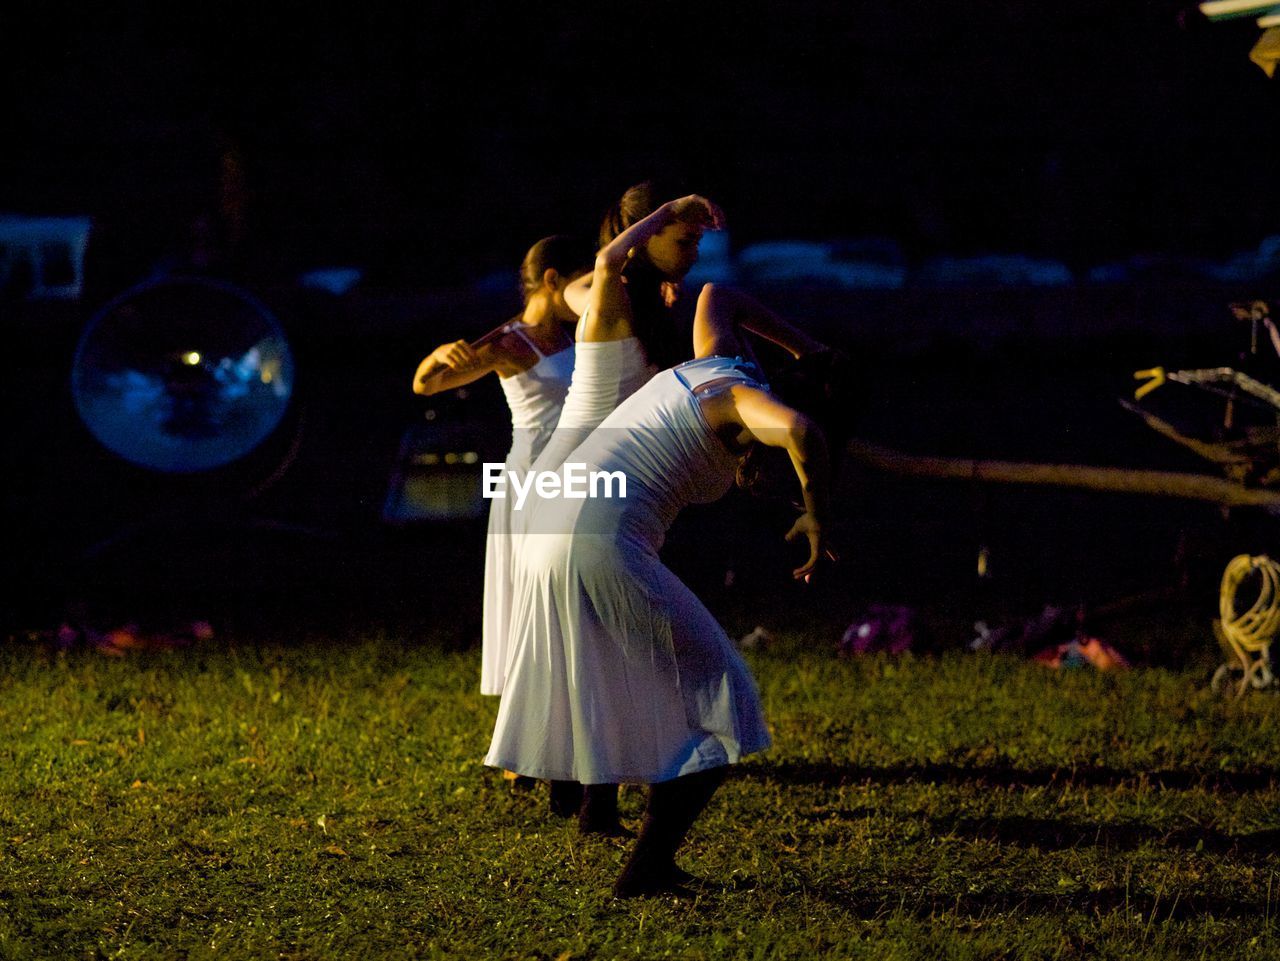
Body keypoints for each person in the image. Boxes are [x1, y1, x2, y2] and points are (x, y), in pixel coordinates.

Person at [488, 276, 847, 896]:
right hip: (596, 540)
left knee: (622, 675)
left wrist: (805, 346)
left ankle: (600, 812)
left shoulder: (716, 354)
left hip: (550, 527)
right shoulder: (737, 396)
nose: (755, 481)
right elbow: (799, 431)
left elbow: (720, 294)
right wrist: (816, 511)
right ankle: (646, 870)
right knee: (725, 699)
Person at [412, 234, 593, 701]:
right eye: (580, 283)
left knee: (572, 603)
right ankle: (526, 732)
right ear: (553, 281)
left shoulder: (578, 336)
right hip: (533, 479)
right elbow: (427, 384)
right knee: (534, 604)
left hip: (577, 478)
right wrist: (437, 354)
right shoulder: (509, 343)